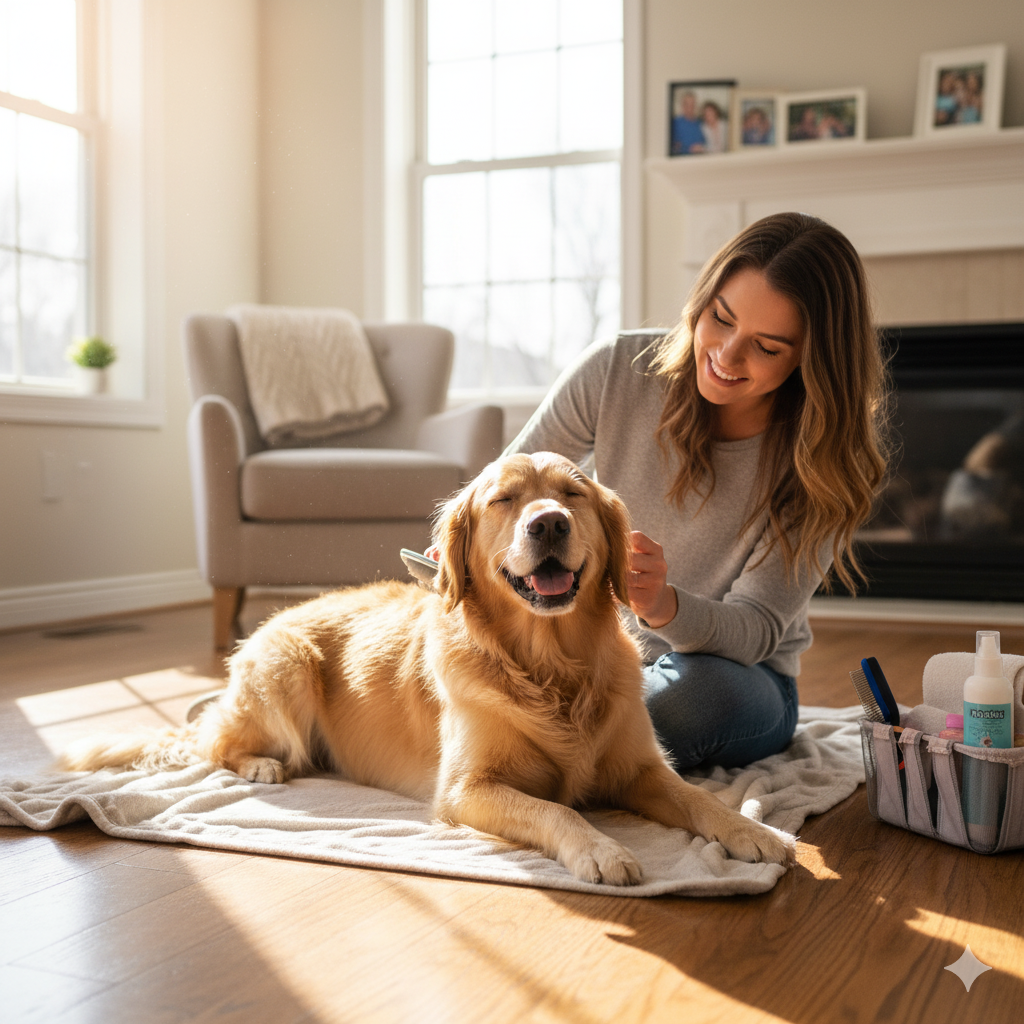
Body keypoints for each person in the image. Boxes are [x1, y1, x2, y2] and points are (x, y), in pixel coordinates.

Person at [497, 212, 891, 772]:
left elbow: (755, 630)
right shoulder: (615, 371)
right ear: (702, 301)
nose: (727, 356)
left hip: (735, 677)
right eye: (720, 318)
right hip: (599, 654)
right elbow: (508, 480)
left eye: (767, 347)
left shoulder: (823, 460)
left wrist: (663, 606)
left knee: (685, 702)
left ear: (811, 358)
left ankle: (532, 754)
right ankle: (560, 752)